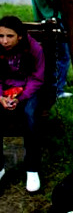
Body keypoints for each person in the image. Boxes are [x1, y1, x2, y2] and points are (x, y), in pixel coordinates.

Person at [0, 15, 45, 192]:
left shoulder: (33, 49)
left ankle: (32, 168)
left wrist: (21, 97)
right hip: (4, 90)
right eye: (1, 36)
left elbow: (37, 77)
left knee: (30, 115)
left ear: (19, 36)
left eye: (9, 36)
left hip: (28, 89)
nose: (4, 41)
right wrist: (1, 97)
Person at [30, 0, 72, 99]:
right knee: (63, 57)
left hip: (44, 21)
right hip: (53, 21)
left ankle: (55, 86)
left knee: (54, 57)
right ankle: (58, 89)